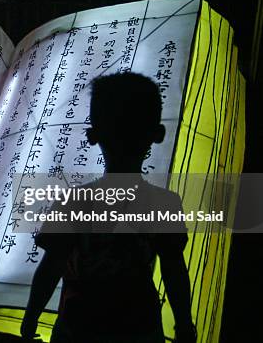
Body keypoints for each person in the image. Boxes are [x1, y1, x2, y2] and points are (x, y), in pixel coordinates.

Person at [20, 73, 197, 343]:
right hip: (140, 330)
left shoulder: (73, 201)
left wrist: (31, 318)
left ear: (93, 135)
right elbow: (174, 270)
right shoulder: (164, 204)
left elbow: (51, 267)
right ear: (157, 134)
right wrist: (184, 324)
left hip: (77, 329)